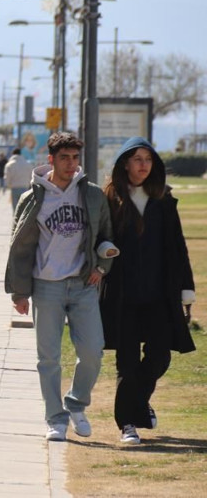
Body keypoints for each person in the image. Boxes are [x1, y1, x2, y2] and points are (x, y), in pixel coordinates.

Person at [5, 131, 114, 442]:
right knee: (48, 358)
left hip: (82, 284)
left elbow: (107, 235)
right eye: (64, 158)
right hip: (46, 286)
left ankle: (76, 404)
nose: (71, 164)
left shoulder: (91, 195)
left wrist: (102, 266)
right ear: (50, 159)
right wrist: (20, 291)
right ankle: (55, 419)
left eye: (75, 158)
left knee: (93, 351)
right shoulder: (32, 198)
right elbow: (20, 249)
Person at [100, 137, 196, 445]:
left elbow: (178, 247)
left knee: (160, 356)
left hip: (159, 293)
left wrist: (186, 288)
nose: (143, 164)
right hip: (122, 294)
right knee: (126, 362)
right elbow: (99, 237)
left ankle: (137, 404)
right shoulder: (110, 198)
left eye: (148, 159)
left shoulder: (163, 199)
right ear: (124, 163)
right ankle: (128, 423)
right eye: (137, 158)